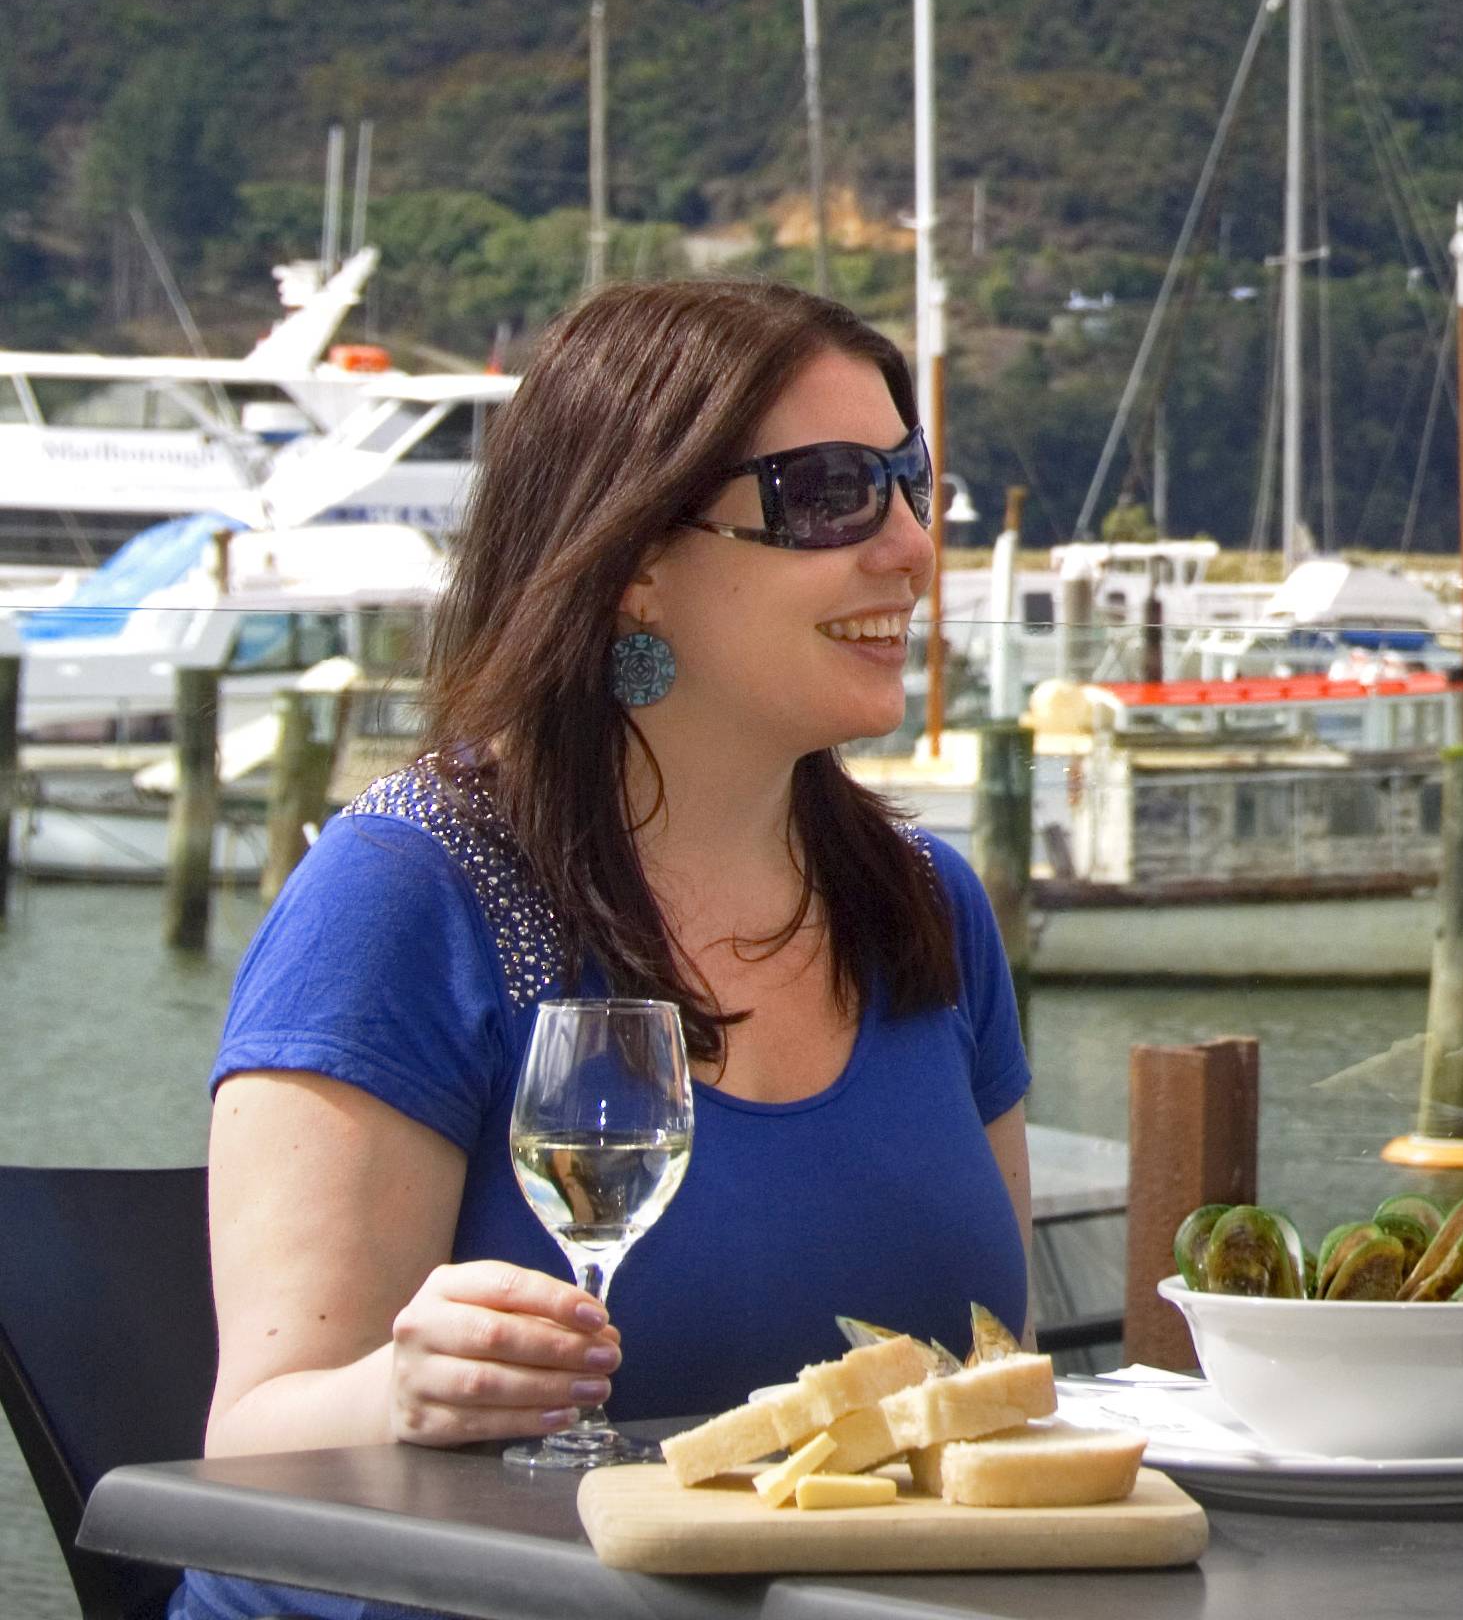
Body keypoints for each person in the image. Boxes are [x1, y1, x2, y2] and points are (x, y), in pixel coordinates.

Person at [182, 281, 1029, 1620]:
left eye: (912, 484)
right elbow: (256, 1434)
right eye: (832, 494)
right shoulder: (410, 892)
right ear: (636, 555)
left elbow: (987, 1398)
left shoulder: (926, 906)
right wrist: (404, 1390)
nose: (913, 547)